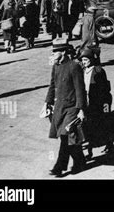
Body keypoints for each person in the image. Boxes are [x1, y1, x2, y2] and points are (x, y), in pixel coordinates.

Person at [44, 39, 87, 177]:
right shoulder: (56, 66)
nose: (53, 54)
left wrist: (81, 109)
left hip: (72, 107)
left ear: (63, 52)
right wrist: (47, 103)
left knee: (66, 135)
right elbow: (52, 86)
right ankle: (80, 161)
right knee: (70, 137)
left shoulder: (74, 66)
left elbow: (80, 89)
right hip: (59, 107)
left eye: (55, 51)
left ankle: (59, 166)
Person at [79, 49, 113, 160]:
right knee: (89, 128)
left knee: (104, 123)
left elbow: (105, 89)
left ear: (91, 59)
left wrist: (106, 106)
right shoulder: (82, 71)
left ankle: (109, 144)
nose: (84, 62)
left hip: (99, 103)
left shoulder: (99, 71)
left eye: (86, 60)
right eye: (83, 60)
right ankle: (90, 151)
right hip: (87, 103)